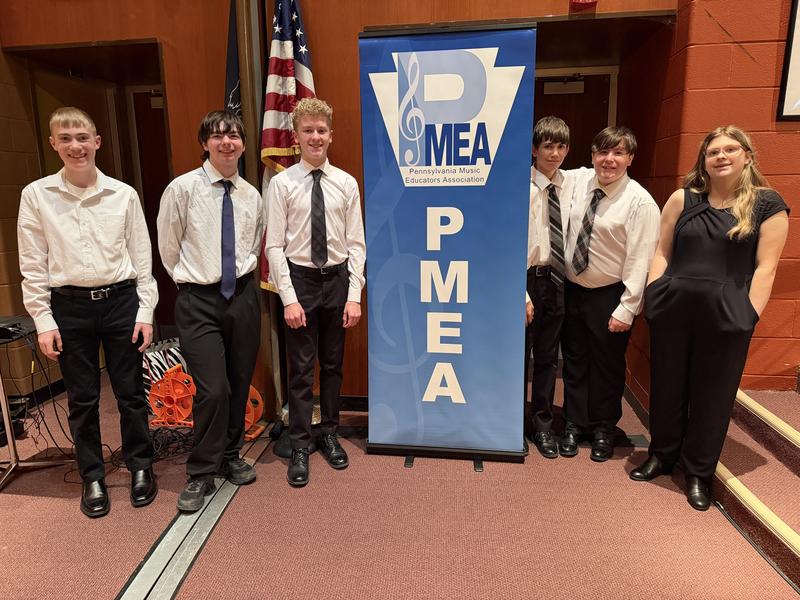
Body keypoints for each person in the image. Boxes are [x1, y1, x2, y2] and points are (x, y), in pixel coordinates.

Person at [630, 126, 789, 511]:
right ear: (703, 160)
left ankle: (699, 472)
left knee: (713, 395)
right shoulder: (683, 198)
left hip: (727, 315)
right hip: (673, 310)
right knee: (667, 386)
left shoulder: (767, 204)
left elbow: (766, 268)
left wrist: (747, 315)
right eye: (713, 151)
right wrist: (654, 294)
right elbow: (662, 251)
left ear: (747, 156)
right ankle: (662, 455)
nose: (721, 156)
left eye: (730, 149)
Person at [17, 107, 158, 518]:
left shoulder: (123, 194)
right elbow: (32, 264)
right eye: (66, 138)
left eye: (82, 137)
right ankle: (92, 475)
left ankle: (140, 466)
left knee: (131, 393)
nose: (75, 146)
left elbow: (142, 258)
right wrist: (43, 319)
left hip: (121, 302)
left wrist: (145, 311)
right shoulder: (37, 195)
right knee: (82, 398)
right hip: (69, 306)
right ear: (53, 144)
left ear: (97, 141)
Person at [157, 110, 263, 512]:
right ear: (205, 143)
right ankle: (201, 471)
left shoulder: (250, 195)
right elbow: (168, 248)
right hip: (198, 300)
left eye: (233, 135)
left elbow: (253, 244)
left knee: (238, 382)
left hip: (242, 297)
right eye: (217, 136)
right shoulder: (182, 189)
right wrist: (194, 282)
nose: (226, 142)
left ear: (243, 144)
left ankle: (230, 455)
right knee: (213, 388)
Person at [265, 98, 366, 487]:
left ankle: (330, 433)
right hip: (301, 282)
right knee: (302, 369)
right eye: (307, 130)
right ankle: (300, 443)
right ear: (296, 136)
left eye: (321, 130)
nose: (315, 137)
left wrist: (354, 294)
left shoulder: (346, 183)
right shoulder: (282, 184)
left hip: (337, 280)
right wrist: (289, 298)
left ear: (331, 135)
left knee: (334, 365)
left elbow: (356, 244)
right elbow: (275, 246)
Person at [559, 126, 660, 462]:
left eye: (618, 153)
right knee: (574, 360)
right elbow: (546, 169)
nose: (609, 160)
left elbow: (641, 259)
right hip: (573, 290)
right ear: (592, 156)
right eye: (603, 152)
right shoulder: (578, 181)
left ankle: (603, 428)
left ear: (630, 158)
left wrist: (627, 307)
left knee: (607, 365)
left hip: (610, 295)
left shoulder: (640, 202)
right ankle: (574, 423)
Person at [524, 116, 573, 458]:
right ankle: (513, 424)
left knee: (547, 358)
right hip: (526, 280)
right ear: (534, 149)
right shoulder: (520, 186)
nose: (554, 154)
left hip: (557, 280)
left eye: (561, 146)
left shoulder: (573, 185)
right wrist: (520, 294)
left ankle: (542, 424)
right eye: (547, 146)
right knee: (518, 357)